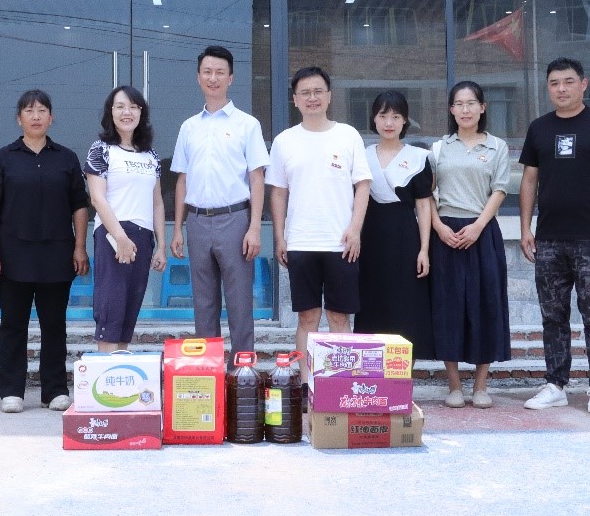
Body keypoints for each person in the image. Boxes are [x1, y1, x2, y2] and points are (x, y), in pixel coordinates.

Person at [519, 57, 590, 414]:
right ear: (548, 87)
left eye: (569, 81)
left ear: (583, 84)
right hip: (549, 239)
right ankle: (556, 385)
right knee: (553, 317)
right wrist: (525, 228)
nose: (561, 88)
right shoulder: (539, 128)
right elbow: (529, 180)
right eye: (554, 83)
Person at [0, 90, 90, 414]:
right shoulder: (4, 158)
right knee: (13, 326)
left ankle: (54, 390)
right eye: (29, 111)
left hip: (57, 256)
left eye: (42, 110)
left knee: (54, 326)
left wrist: (80, 247)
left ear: (51, 118)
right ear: (19, 119)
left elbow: (79, 206)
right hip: (12, 257)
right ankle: (12, 391)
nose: (36, 116)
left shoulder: (66, 158)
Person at [267, 67, 371, 390]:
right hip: (300, 242)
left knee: (340, 317)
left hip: (341, 243)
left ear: (329, 96)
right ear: (295, 99)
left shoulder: (348, 135)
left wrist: (355, 229)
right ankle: (307, 383)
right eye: (305, 93)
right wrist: (280, 236)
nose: (312, 98)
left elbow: (363, 185)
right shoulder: (284, 141)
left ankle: (343, 385)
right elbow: (278, 192)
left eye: (318, 91)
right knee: (307, 317)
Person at [169, 46, 270, 356]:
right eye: (207, 72)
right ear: (198, 77)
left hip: (235, 220)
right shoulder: (189, 127)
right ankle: (207, 372)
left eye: (220, 72)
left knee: (240, 302)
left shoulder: (247, 124)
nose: (213, 78)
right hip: (197, 221)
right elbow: (182, 179)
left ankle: (242, 373)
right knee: (203, 303)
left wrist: (254, 228)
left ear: (231, 78)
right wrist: (177, 228)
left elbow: (257, 178)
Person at [429, 81, 511, 409]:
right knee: (447, 307)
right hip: (445, 234)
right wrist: (438, 227)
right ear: (451, 110)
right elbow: (427, 194)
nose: (465, 109)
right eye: (459, 104)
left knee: (485, 305)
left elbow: (500, 190)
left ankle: (480, 386)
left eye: (471, 103)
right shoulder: (439, 149)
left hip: (482, 231)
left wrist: (478, 226)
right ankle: (454, 386)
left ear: (482, 107)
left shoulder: (497, 146)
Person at [83, 86, 167, 352]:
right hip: (113, 235)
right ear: (111, 112)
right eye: (120, 106)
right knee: (111, 310)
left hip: (143, 237)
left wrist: (161, 245)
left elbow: (157, 202)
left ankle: (122, 371)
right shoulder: (101, 150)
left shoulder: (151, 155)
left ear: (141, 113)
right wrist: (120, 237)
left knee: (129, 311)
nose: (126, 112)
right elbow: (98, 199)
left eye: (133, 107)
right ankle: (107, 372)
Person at [355, 91, 434, 360]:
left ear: (405, 120)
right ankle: (369, 367)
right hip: (369, 236)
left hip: (405, 236)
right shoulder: (361, 155)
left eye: (396, 116)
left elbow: (423, 205)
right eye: (383, 115)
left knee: (405, 302)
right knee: (371, 299)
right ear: (374, 119)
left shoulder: (418, 157)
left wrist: (424, 249)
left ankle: (401, 369)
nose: (389, 123)